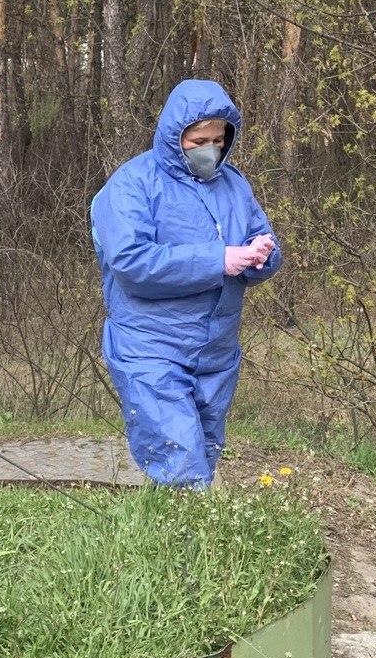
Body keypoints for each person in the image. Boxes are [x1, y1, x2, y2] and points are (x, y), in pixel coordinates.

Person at [90, 79, 281, 488]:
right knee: (179, 463)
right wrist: (220, 260)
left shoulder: (234, 184)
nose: (210, 148)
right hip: (152, 348)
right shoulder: (132, 184)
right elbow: (130, 262)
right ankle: (182, 546)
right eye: (198, 140)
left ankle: (187, 542)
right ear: (174, 136)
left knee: (204, 453)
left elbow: (262, 240)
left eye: (218, 138)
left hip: (216, 351)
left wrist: (260, 255)